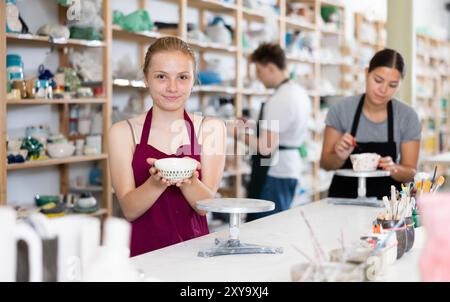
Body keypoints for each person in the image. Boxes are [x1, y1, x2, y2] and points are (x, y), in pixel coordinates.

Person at [108, 37, 226, 257]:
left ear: (193, 81)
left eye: (182, 77)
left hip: (195, 254)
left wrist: (188, 180)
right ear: (146, 79)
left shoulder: (211, 129)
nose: (172, 87)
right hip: (143, 256)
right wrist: (156, 182)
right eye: (161, 76)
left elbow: (205, 207)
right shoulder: (123, 132)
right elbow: (130, 210)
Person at [320, 48, 421, 200]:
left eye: (392, 85)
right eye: (378, 80)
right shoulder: (341, 110)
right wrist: (339, 156)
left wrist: (394, 169)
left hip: (387, 208)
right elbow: (325, 163)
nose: (383, 89)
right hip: (342, 202)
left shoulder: (408, 116)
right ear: (367, 73)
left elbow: (411, 172)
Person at [243, 43, 311, 221]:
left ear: (271, 68)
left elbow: (265, 148)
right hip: (289, 167)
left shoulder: (280, 98)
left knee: (264, 226)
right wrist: (252, 126)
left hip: (275, 171)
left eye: (259, 71)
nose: (258, 77)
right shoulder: (298, 92)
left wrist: (235, 133)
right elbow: (283, 129)